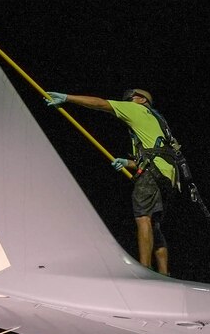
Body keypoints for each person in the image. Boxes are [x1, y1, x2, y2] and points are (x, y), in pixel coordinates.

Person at [43, 88, 185, 274]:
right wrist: (128, 162)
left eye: (131, 99)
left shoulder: (137, 109)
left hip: (153, 173)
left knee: (143, 217)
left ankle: (144, 270)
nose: (127, 102)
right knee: (154, 225)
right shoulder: (158, 122)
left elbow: (101, 103)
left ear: (142, 100)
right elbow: (156, 153)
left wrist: (68, 98)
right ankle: (164, 273)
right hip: (169, 178)